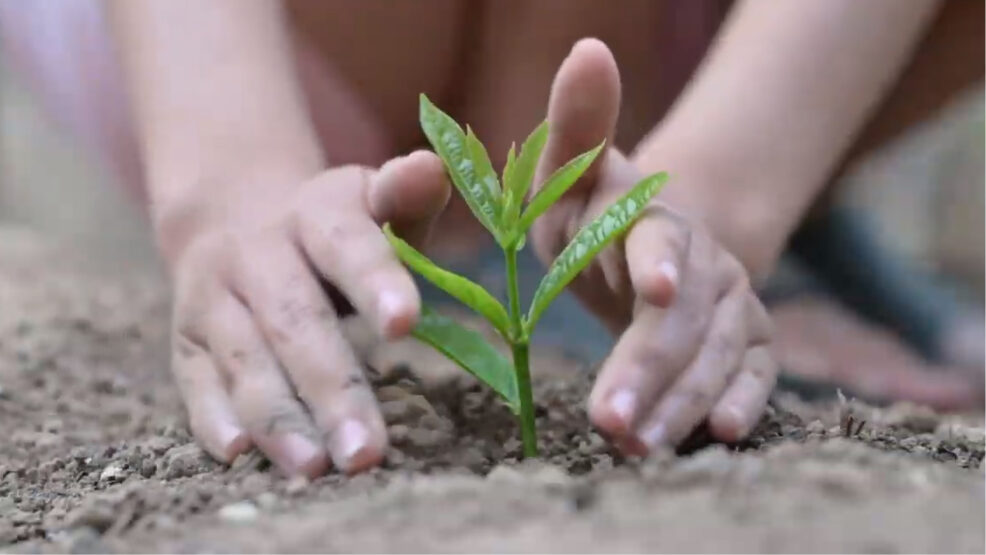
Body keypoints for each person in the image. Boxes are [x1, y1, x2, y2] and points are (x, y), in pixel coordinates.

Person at [0, 0, 981, 477]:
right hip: (253, 52)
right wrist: (225, 181)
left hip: (741, 54)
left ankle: (752, 199)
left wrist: (724, 194)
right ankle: (491, 235)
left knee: (701, 198)